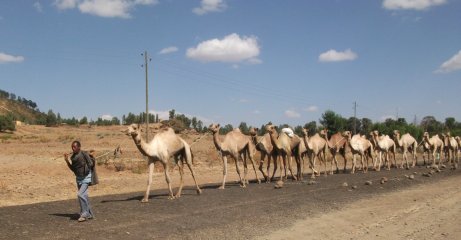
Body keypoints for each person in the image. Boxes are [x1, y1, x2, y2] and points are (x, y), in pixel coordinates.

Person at [64, 140, 95, 222]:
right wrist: (67, 160)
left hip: (86, 177)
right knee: (84, 195)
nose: (73, 148)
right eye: (72, 147)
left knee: (80, 194)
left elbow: (91, 164)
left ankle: (84, 214)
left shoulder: (84, 153)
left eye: (74, 147)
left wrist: (87, 161)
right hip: (78, 178)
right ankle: (89, 213)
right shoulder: (73, 157)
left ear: (79, 147)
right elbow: (73, 169)